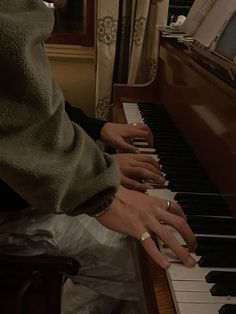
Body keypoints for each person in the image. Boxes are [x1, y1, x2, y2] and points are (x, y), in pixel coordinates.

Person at [0, 1, 196, 313]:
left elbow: (40, 104)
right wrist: (95, 184)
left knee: (143, 230)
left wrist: (98, 131)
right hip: (14, 211)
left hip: (34, 194)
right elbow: (15, 127)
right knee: (162, 261)